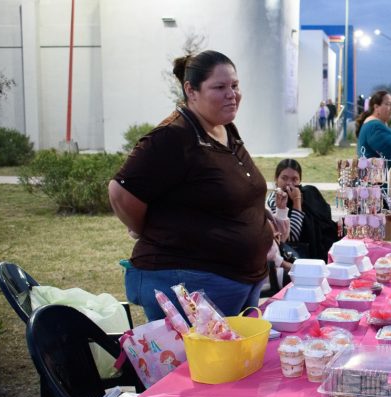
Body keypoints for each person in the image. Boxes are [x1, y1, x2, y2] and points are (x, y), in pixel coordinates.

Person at [108, 50, 272, 320]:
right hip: (191, 283)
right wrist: (144, 228)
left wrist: (259, 220)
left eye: (234, 85)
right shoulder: (172, 137)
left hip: (240, 279)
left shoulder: (224, 127)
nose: (231, 94)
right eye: (219, 87)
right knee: (198, 363)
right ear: (191, 91)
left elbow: (223, 192)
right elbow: (120, 192)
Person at [266, 159, 339, 262]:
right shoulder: (275, 200)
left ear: (300, 181)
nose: (289, 183)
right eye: (284, 178)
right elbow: (292, 237)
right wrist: (296, 201)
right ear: (276, 179)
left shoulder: (308, 194)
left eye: (294, 179)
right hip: (293, 255)